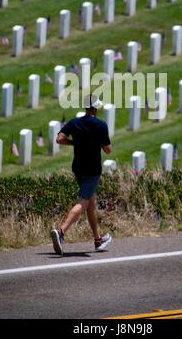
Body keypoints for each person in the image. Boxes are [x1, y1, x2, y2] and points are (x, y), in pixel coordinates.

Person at [51, 94, 112, 256]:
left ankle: (97, 240)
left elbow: (59, 139)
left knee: (91, 203)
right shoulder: (101, 125)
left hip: (78, 168)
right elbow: (107, 150)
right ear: (94, 108)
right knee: (83, 203)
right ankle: (61, 233)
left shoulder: (74, 122)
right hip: (92, 171)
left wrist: (74, 142)